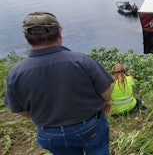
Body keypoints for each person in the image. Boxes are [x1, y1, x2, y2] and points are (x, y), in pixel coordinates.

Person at [4, 12, 114, 155]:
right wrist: (106, 101)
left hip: (50, 132)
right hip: (88, 126)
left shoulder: (16, 72)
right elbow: (106, 90)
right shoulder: (81, 61)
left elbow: (18, 109)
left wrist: (44, 116)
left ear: (27, 37)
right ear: (59, 32)